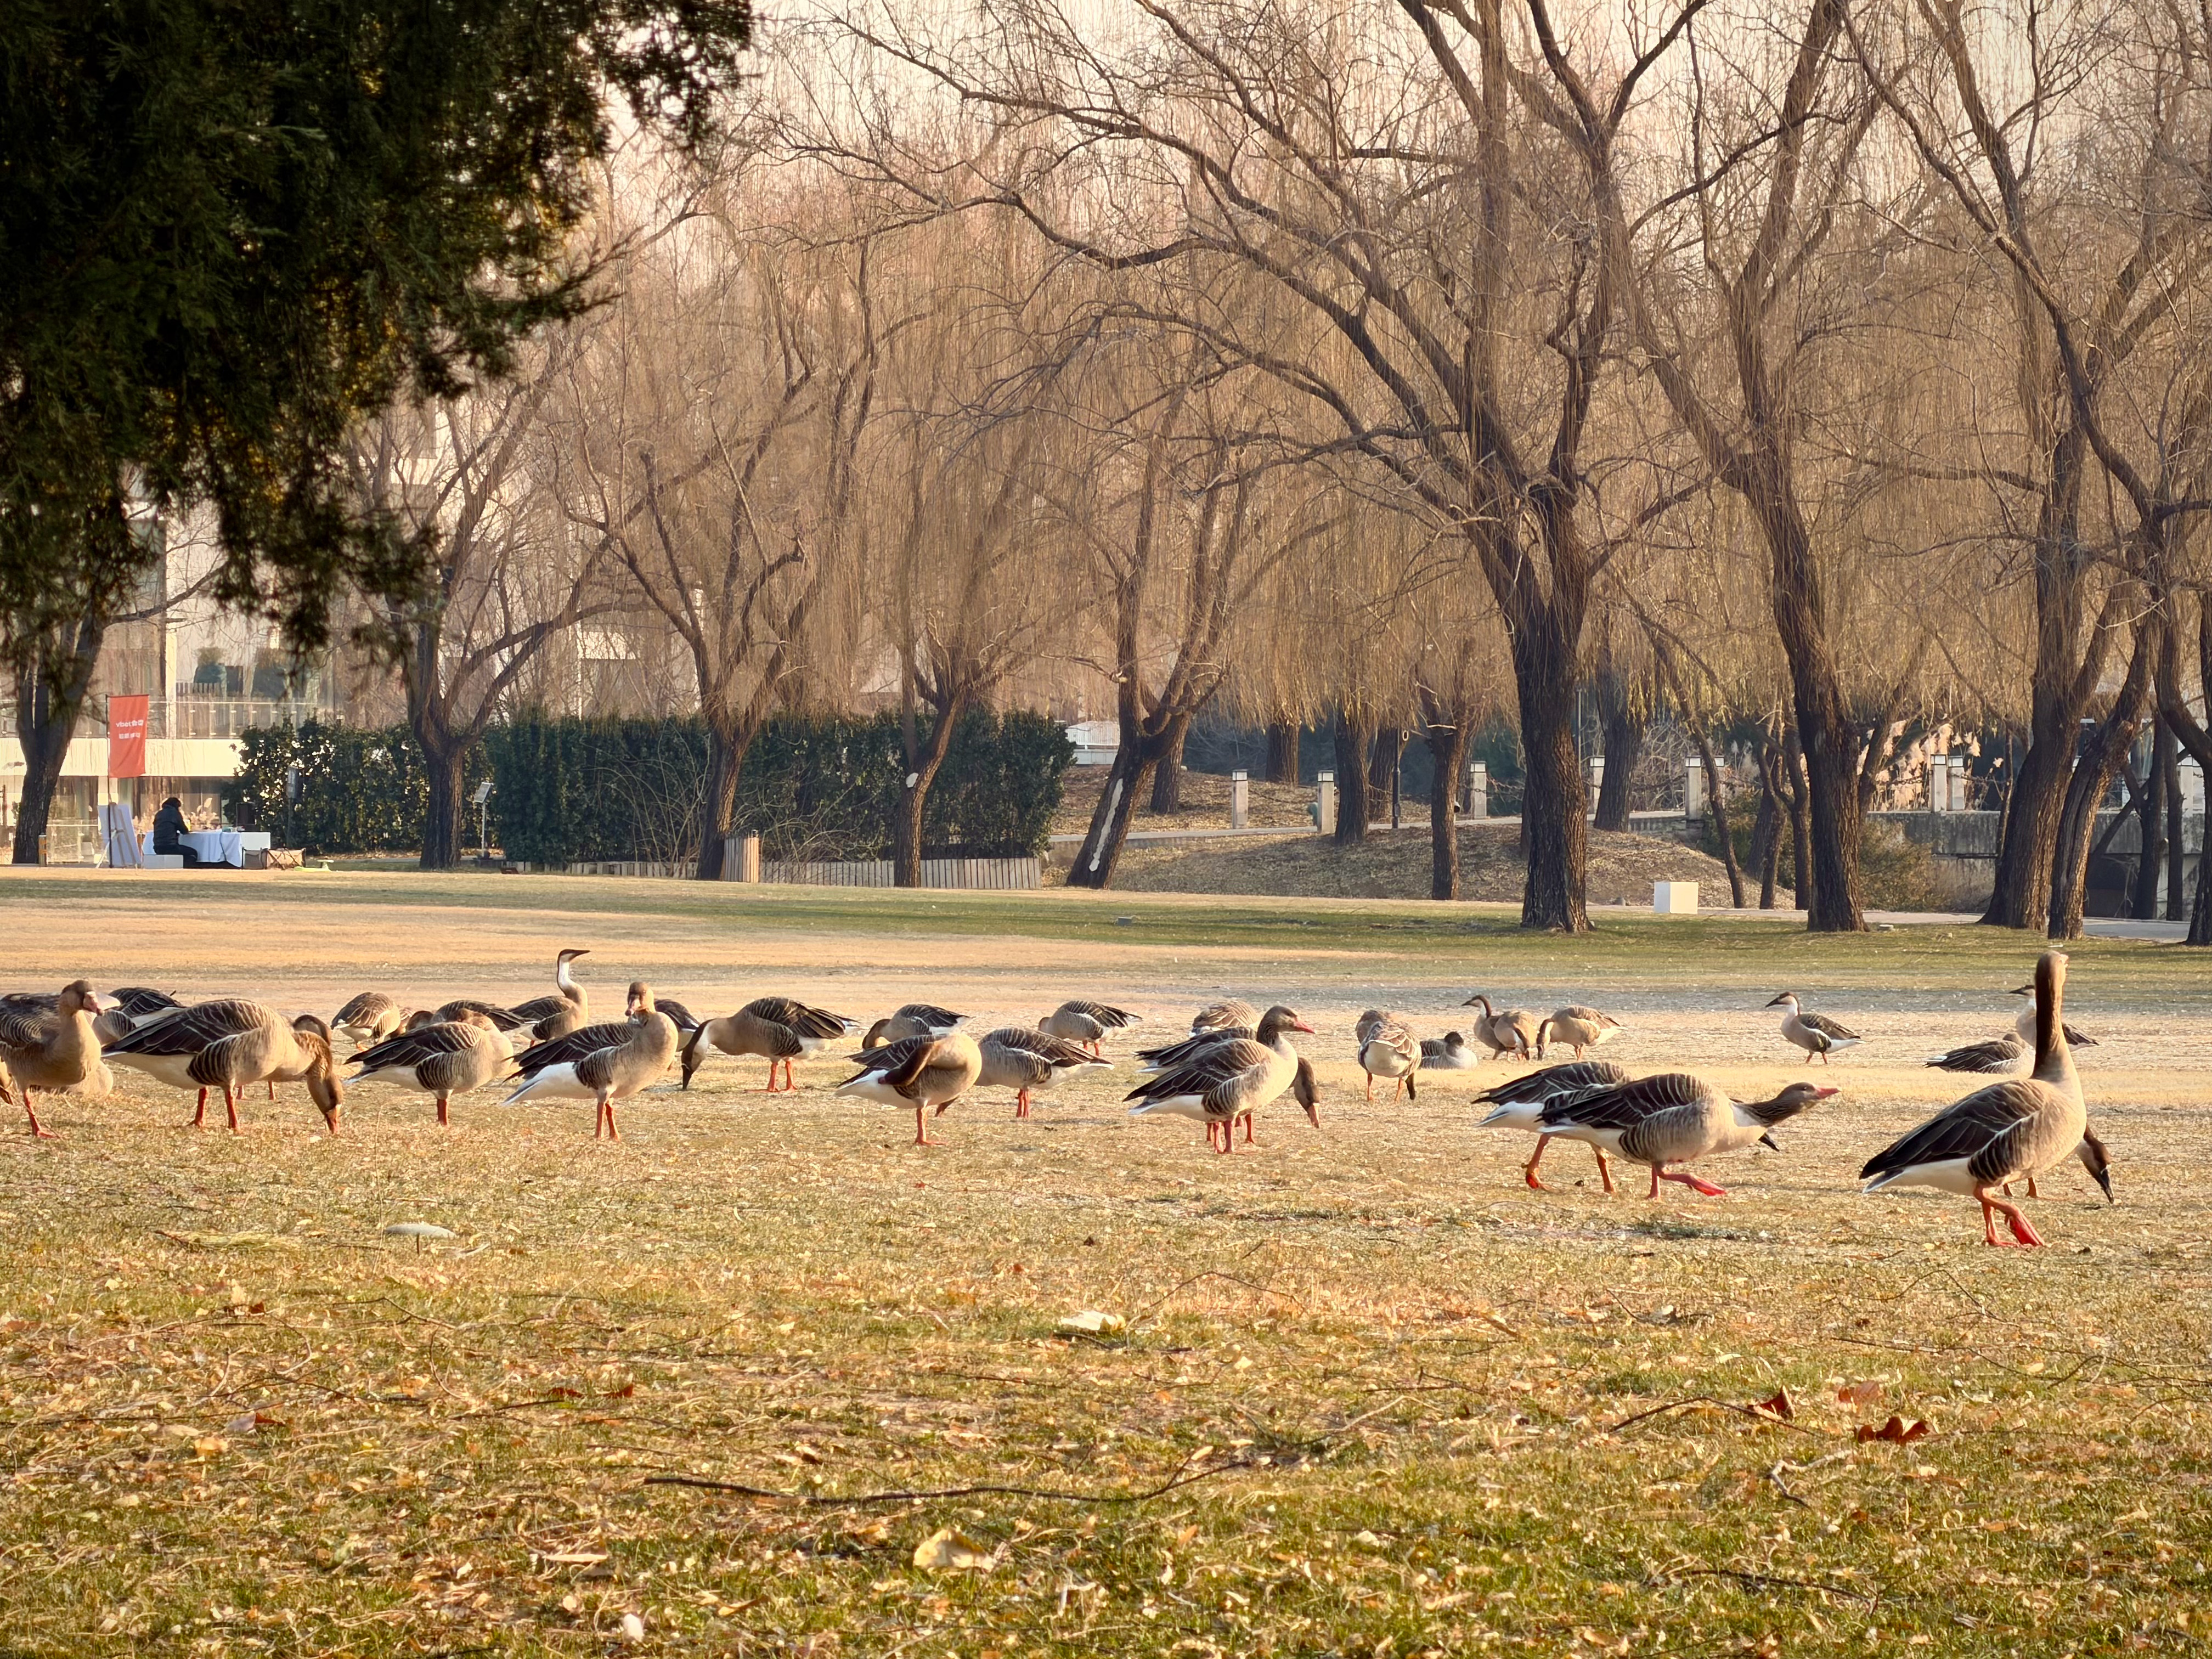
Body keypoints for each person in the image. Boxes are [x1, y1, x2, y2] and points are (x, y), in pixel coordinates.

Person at [151, 796, 207, 867]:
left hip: (157, 847)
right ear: (177, 806)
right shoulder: (175, 813)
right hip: (171, 847)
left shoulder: (159, 814)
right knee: (193, 853)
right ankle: (186, 869)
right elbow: (184, 830)